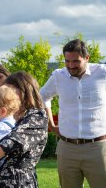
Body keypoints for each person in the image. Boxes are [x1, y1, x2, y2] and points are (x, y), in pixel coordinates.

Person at [40, 39, 106, 188]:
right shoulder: (58, 76)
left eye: (76, 61)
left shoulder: (102, 73)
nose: (71, 66)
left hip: (99, 148)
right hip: (67, 148)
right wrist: (51, 124)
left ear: (87, 58)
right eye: (67, 61)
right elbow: (42, 97)